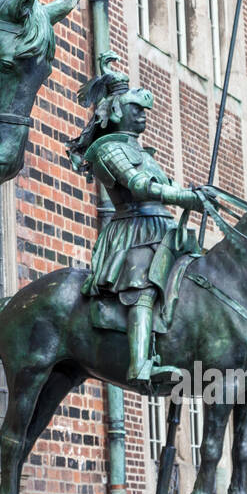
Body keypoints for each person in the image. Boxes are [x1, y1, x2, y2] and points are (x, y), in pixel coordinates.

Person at [67, 54, 207, 392]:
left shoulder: (144, 152)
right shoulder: (107, 150)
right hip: (134, 232)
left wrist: (194, 194)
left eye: (144, 110)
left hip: (163, 229)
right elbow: (138, 186)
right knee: (142, 290)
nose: (143, 116)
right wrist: (182, 197)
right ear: (117, 112)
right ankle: (140, 364)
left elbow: (161, 186)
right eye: (137, 110)